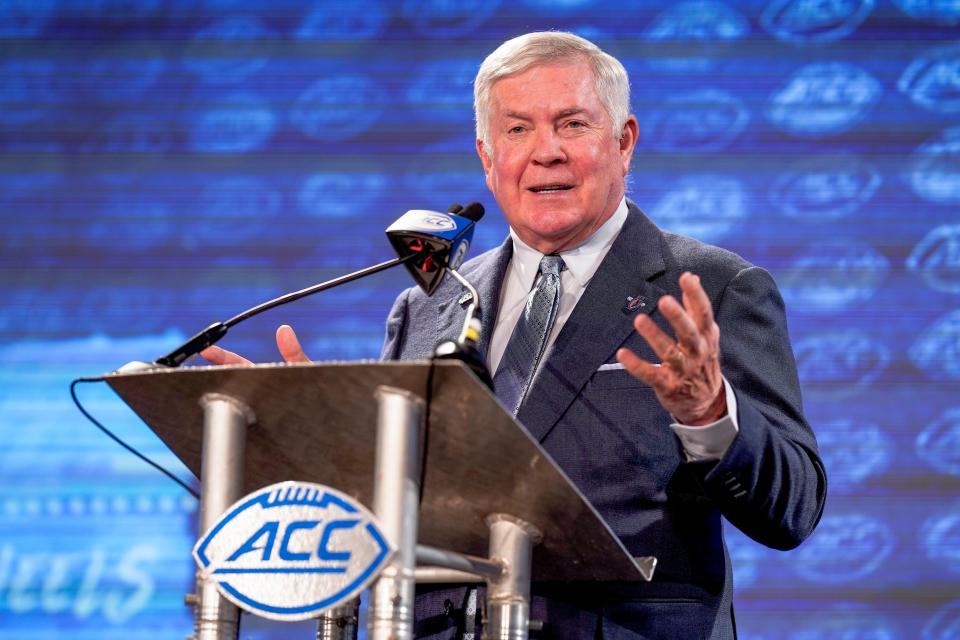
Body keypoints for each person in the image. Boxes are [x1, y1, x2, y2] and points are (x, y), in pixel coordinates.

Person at [205, 31, 826, 640]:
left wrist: (712, 415)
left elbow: (793, 508)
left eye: (573, 124)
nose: (545, 151)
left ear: (624, 140)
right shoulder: (429, 304)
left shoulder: (712, 287)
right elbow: (395, 513)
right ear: (486, 154)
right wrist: (313, 446)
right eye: (517, 128)